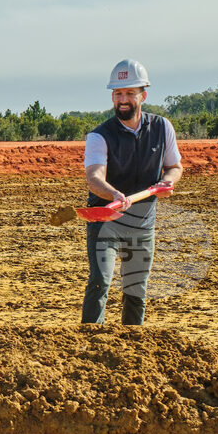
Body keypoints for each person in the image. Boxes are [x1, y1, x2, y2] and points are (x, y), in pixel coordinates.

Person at [81, 59, 183, 325]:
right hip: (107, 222)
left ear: (143, 95)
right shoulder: (99, 136)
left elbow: (174, 167)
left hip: (142, 222)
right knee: (100, 281)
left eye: (129, 93)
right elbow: (94, 178)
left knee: (136, 289)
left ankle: (133, 345)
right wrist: (114, 194)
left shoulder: (162, 128)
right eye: (117, 94)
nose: (122, 100)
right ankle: (90, 341)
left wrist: (167, 182)